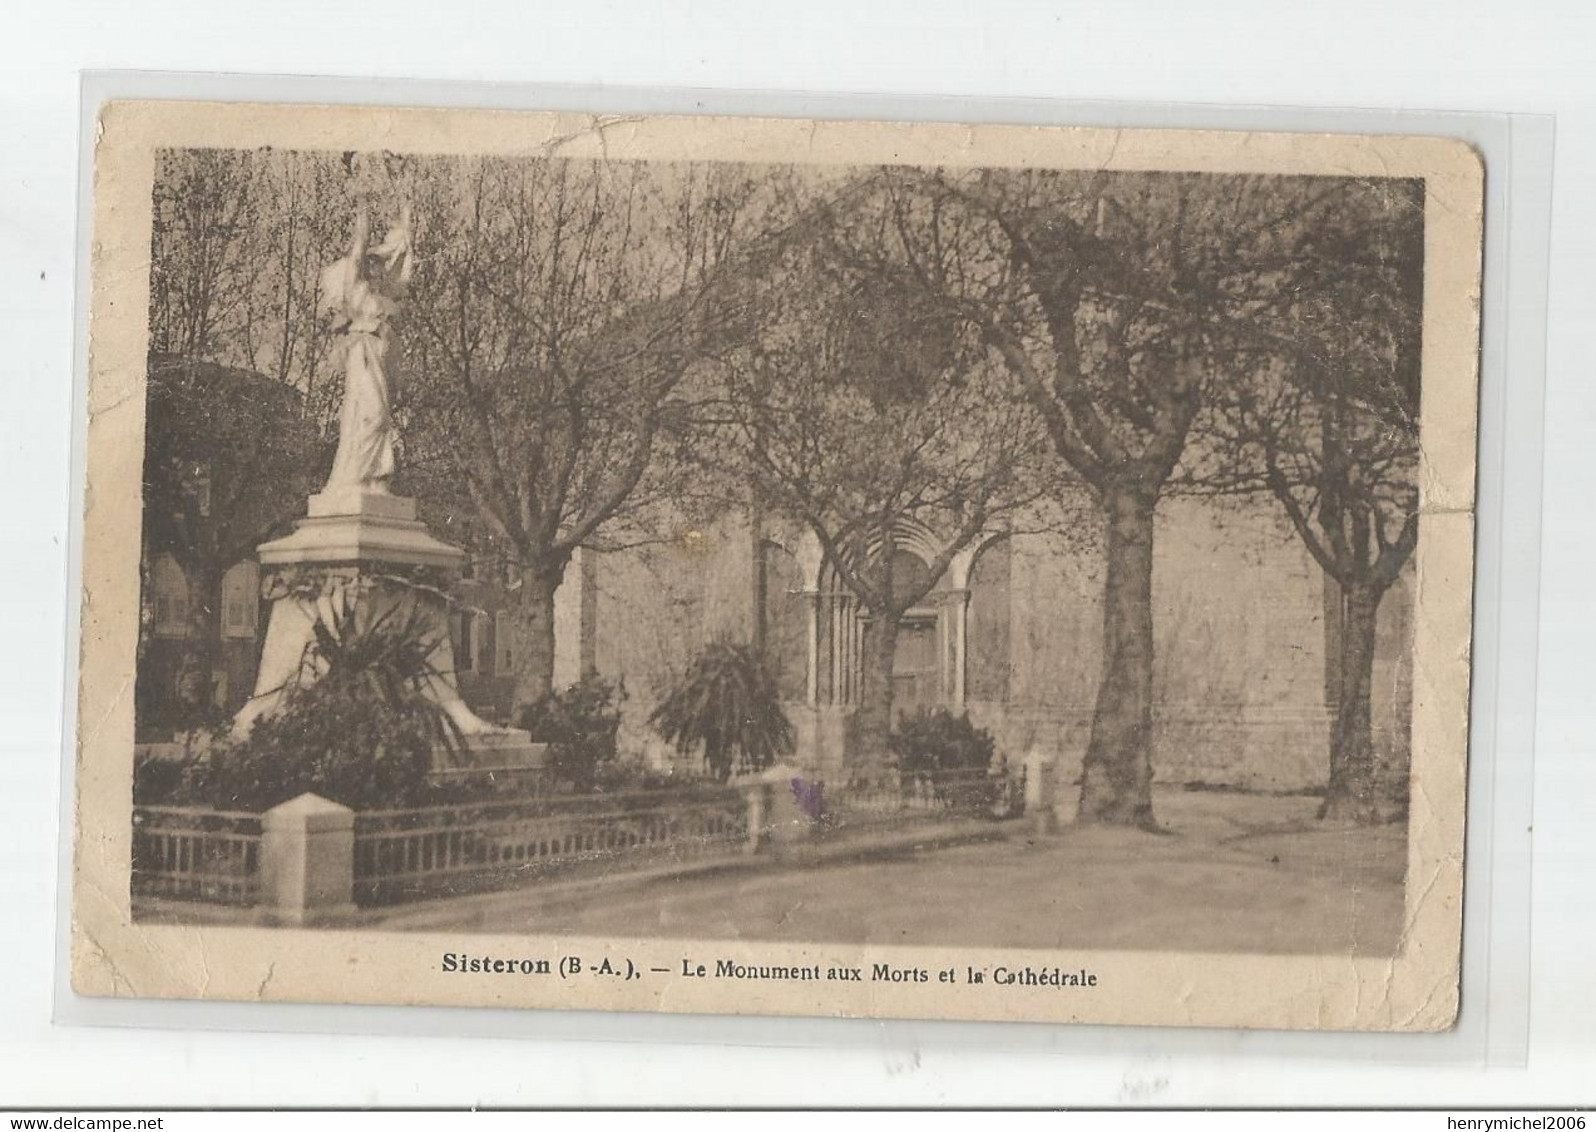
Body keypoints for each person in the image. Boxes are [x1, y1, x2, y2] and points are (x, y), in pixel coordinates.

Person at [319, 206, 413, 493]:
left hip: (384, 357)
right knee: (373, 414)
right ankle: (360, 476)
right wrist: (362, 211)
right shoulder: (355, 291)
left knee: (381, 418)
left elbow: (404, 258)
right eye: (370, 264)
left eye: (377, 264)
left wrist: (406, 216)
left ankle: (374, 478)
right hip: (363, 352)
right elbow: (359, 248)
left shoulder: (384, 297)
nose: (375, 268)